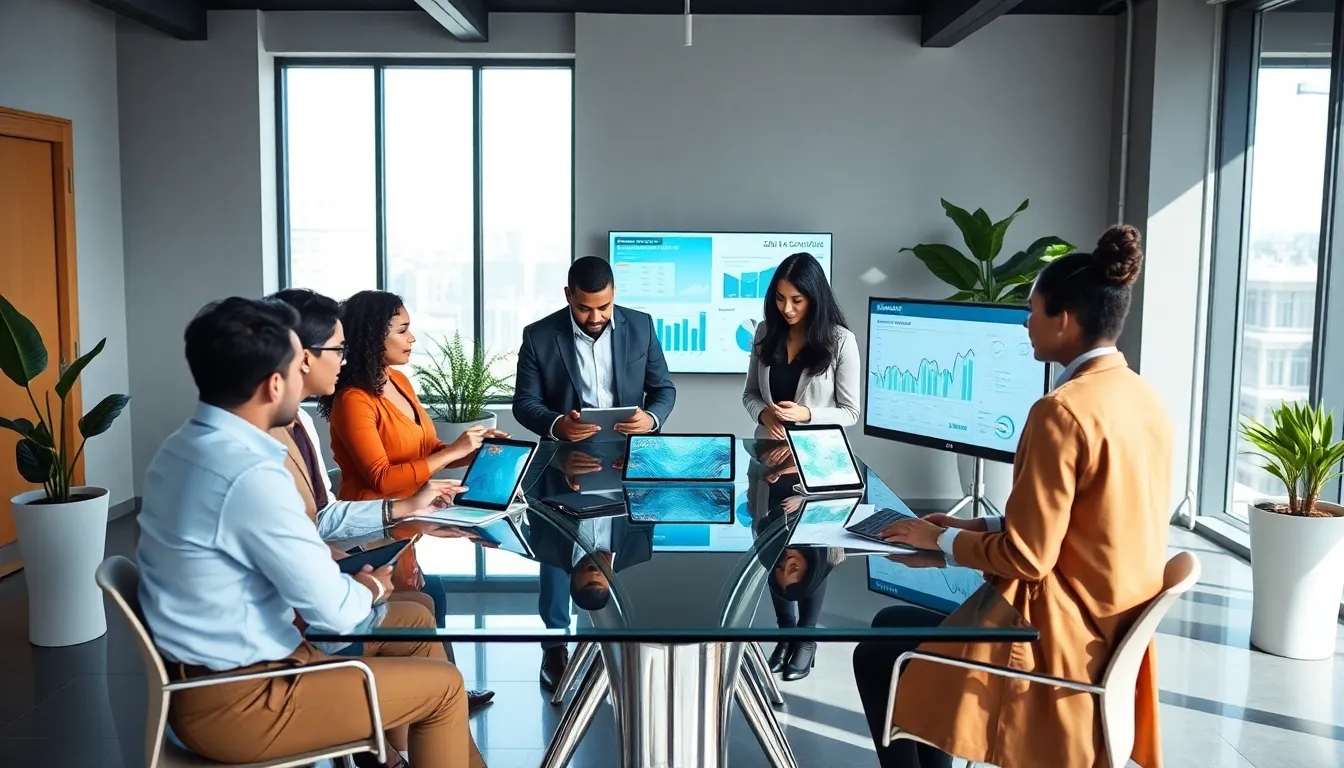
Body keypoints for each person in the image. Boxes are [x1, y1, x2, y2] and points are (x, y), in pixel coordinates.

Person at [854, 225, 1171, 768]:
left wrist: (945, 543)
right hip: (1107, 624)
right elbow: (1080, 523)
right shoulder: (1143, 397)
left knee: (881, 651)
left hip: (1055, 637)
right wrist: (954, 533)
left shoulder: (1060, 412)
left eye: (1033, 310)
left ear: (1064, 321)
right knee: (893, 629)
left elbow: (1028, 557)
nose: (1025, 322)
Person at [136, 297, 479, 767]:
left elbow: (312, 539)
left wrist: (383, 543)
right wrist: (371, 586)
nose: (309, 376)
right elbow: (335, 615)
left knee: (415, 622)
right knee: (445, 690)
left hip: (222, 676)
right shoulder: (248, 474)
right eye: (298, 367)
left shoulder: (181, 448)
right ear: (275, 384)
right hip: (248, 700)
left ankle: (392, 761)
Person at [269, 288, 495, 713]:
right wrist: (449, 454)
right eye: (404, 330)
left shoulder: (399, 381)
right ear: (375, 337)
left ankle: (430, 697)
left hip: (403, 518)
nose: (413, 339)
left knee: (431, 595)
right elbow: (380, 475)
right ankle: (414, 700)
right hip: (369, 526)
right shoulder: (353, 399)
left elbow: (427, 446)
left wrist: (475, 448)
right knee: (424, 596)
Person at [513, 256, 676, 442]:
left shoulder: (642, 326)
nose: (595, 317)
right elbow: (524, 403)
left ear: (613, 292)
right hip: (566, 452)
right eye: (584, 308)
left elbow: (663, 389)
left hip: (630, 447)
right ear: (568, 295)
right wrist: (557, 424)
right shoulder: (537, 336)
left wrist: (650, 419)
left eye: (604, 307)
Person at [743, 252, 860, 439]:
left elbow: (850, 412)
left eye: (797, 300)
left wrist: (806, 414)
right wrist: (765, 416)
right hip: (768, 452)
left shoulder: (842, 340)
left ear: (814, 299)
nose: (787, 308)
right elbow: (750, 394)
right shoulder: (765, 331)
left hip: (817, 456)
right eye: (780, 298)